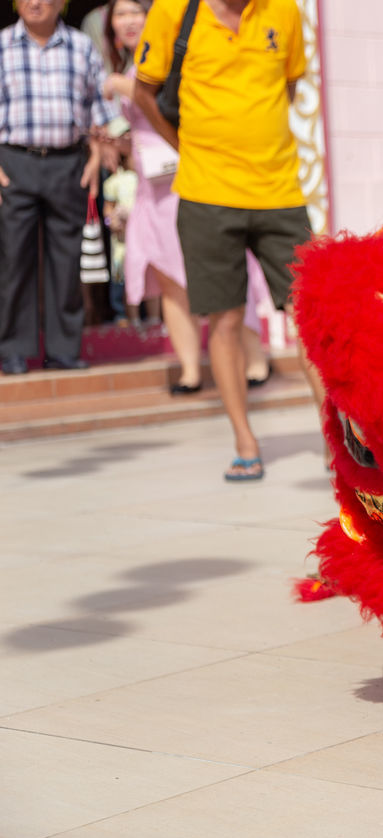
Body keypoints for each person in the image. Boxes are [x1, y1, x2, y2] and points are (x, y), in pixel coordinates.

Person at [133, 0, 323, 481]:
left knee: (313, 312)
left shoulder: (283, 11)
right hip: (206, 193)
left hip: (280, 190)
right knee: (225, 319)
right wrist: (187, 147)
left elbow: (290, 81)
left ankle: (335, 439)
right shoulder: (175, 10)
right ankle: (244, 439)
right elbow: (144, 91)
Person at [102, 0, 271, 394]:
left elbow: (163, 99)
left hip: (188, 178)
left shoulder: (172, 53)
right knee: (168, 279)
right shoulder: (130, 63)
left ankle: (255, 360)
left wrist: (119, 85)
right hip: (150, 184)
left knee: (217, 269)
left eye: (134, 12)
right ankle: (191, 370)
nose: (127, 21)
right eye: (119, 15)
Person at [0, 0, 119, 376]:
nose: (36, 3)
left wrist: (99, 152)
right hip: (12, 161)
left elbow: (99, 107)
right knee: (13, 258)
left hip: (69, 161)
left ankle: (63, 349)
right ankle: (13, 349)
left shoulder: (81, 46)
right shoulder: (2, 45)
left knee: (66, 259)